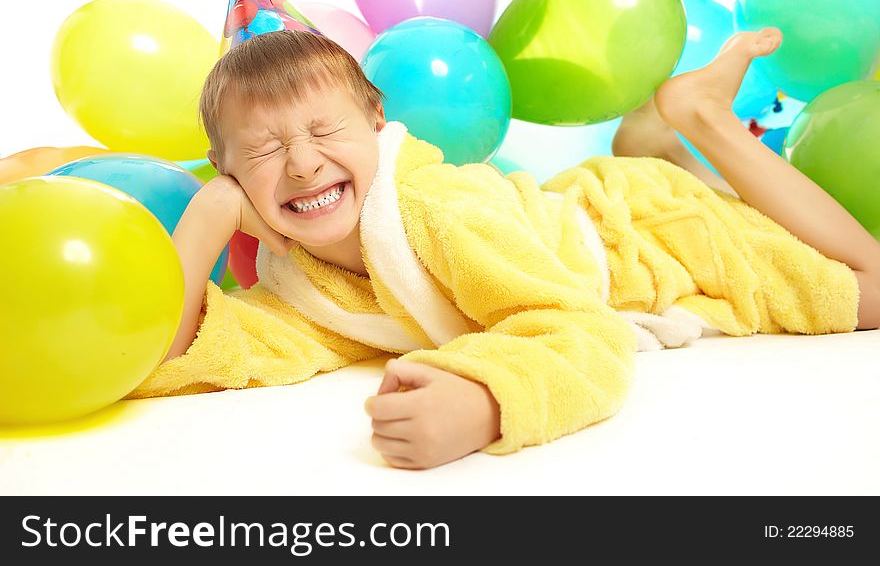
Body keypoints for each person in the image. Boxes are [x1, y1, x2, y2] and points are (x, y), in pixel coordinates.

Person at [127, 27, 880, 470]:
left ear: (377, 124)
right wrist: (205, 223)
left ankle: (701, 117)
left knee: (869, 287)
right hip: (580, 204)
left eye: (325, 132)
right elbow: (176, 353)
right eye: (261, 152)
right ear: (230, 175)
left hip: (651, 233)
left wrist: (489, 400)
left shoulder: (437, 210)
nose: (301, 163)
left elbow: (584, 330)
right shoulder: (313, 284)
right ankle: (658, 136)